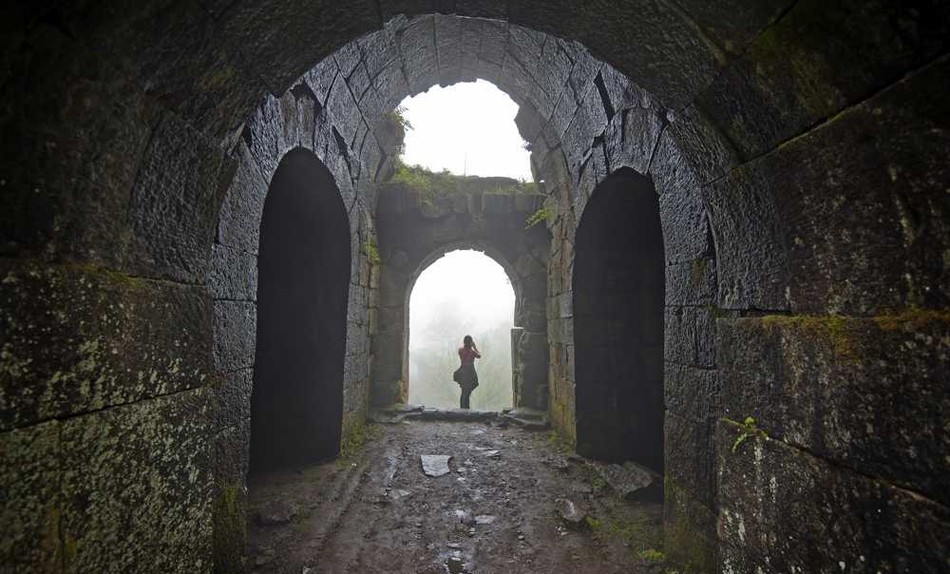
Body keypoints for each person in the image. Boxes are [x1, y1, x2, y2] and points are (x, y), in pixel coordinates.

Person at [455, 335, 481, 409]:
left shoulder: (460, 350)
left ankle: (463, 408)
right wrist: (475, 347)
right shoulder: (472, 352)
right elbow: (479, 356)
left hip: (462, 370)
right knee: (467, 391)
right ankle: (465, 408)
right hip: (469, 372)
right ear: (470, 343)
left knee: (464, 391)